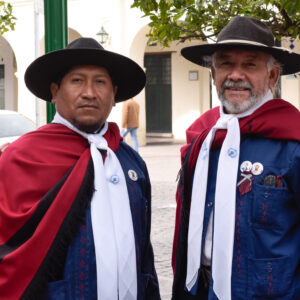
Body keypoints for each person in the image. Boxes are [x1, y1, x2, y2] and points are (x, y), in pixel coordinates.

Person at [0, 37, 160, 300]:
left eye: (100, 82)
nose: (89, 92)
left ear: (114, 93)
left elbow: (143, 248)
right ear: (54, 91)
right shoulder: (22, 158)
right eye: (76, 80)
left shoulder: (130, 162)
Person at [172, 16, 300, 300]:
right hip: (199, 291)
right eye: (226, 64)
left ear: (272, 76)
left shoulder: (293, 143)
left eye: (250, 64)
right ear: (213, 74)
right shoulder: (202, 139)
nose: (236, 75)